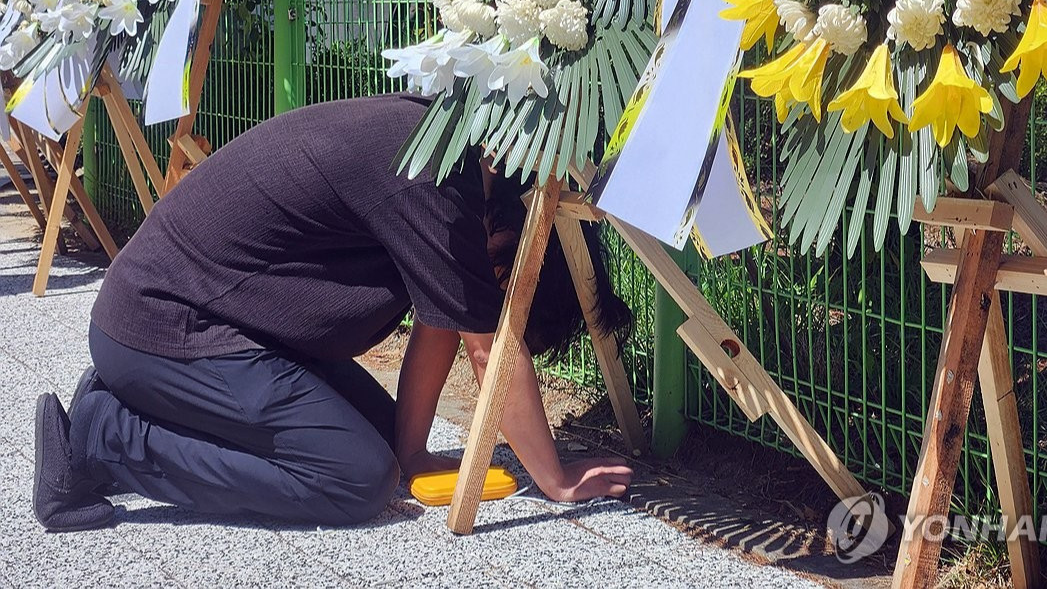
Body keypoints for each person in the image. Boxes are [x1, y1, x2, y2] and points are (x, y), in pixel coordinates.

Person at [32, 93, 635, 532]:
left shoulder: (447, 149)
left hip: (204, 319)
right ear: (506, 244)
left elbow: (444, 326)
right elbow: (489, 350)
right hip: (163, 325)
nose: (498, 300)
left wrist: (416, 451)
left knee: (385, 448)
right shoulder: (436, 186)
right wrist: (554, 480)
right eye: (508, 291)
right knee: (353, 478)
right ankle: (102, 437)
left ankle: (142, 402)